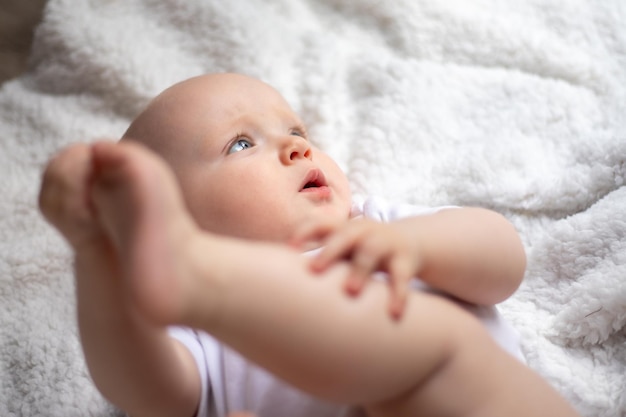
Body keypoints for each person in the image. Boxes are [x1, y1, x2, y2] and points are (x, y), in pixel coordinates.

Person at [38, 73, 580, 417]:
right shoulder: (188, 320)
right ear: (174, 224)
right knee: (441, 345)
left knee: (444, 346)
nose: (296, 149)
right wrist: (98, 263)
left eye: (296, 132)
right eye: (241, 144)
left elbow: (505, 261)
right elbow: (148, 395)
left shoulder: (374, 224)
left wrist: (413, 246)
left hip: (471, 401)